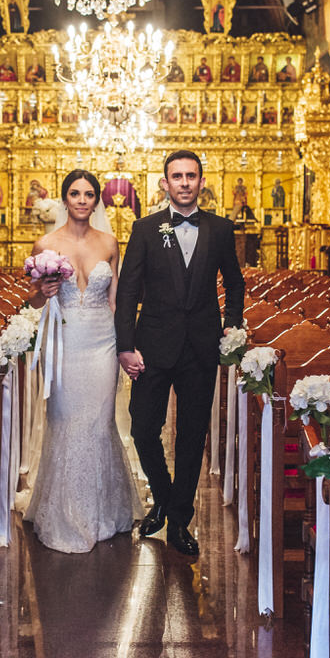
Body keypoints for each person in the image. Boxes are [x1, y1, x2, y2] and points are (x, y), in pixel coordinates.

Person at [115, 151, 245, 556]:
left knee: (192, 437)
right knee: (141, 427)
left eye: (191, 175)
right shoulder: (145, 228)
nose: (185, 182)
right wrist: (124, 346)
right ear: (164, 184)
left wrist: (232, 323)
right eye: (177, 176)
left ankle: (178, 521)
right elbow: (128, 292)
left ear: (201, 181)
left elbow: (236, 284)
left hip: (201, 349)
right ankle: (166, 498)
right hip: (152, 346)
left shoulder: (221, 229)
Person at [24, 170, 140, 553]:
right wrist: (43, 290)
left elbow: (115, 301)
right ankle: (65, 513)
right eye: (75, 193)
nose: (82, 200)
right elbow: (34, 302)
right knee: (67, 419)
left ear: (97, 201)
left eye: (89, 194)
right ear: (64, 198)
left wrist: (126, 345)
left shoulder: (109, 242)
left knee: (99, 420)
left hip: (102, 342)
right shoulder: (46, 242)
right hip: (65, 339)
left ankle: (101, 510)